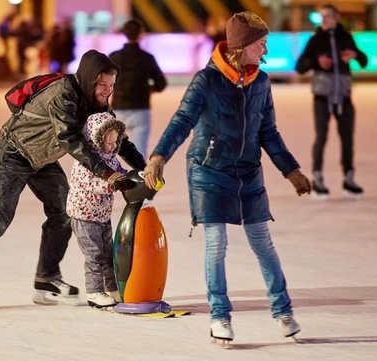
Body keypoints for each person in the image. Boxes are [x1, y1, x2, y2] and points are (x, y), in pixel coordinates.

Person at [142, 11, 311, 344]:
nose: (264, 51)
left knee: (263, 243)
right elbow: (181, 121)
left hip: (247, 171)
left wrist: (291, 170)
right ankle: (219, 316)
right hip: (208, 170)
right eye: (261, 44)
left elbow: (268, 132)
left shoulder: (260, 82)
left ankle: (283, 310)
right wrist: (159, 157)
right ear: (243, 45)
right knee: (217, 244)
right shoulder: (207, 81)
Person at [0, 49, 146, 312]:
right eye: (103, 84)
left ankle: (46, 278)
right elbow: (70, 138)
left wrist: (142, 167)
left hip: (42, 159)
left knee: (64, 212)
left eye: (111, 86)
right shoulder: (63, 95)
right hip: (13, 154)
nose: (107, 91)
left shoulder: (97, 103)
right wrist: (106, 173)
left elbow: (116, 136)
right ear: (90, 79)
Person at [295, 3, 368, 199]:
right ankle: (318, 179)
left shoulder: (346, 38)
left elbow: (364, 60)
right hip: (322, 97)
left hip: (344, 97)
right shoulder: (315, 40)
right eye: (322, 17)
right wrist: (316, 62)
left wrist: (354, 55)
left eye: (328, 16)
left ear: (336, 18)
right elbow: (300, 66)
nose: (324, 20)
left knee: (347, 139)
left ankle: (349, 179)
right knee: (321, 138)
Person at [67, 112, 128, 308]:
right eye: (108, 143)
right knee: (94, 255)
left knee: (108, 254)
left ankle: (112, 288)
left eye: (114, 142)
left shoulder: (111, 158)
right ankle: (94, 292)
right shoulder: (86, 161)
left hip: (102, 215)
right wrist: (113, 185)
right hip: (84, 216)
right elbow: (90, 183)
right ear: (96, 140)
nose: (111, 147)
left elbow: (120, 172)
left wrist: (133, 178)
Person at [109, 19, 167, 158]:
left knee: (109, 151)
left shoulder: (114, 57)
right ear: (141, 34)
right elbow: (161, 83)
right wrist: (149, 89)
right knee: (139, 154)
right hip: (141, 108)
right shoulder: (147, 58)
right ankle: (139, 179)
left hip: (118, 107)